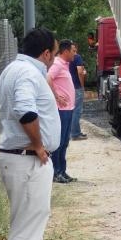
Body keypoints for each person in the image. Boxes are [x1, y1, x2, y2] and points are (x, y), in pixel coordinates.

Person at [0, 28, 62, 240]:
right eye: (54, 54)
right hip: (26, 158)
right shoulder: (26, 72)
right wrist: (37, 144)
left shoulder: (16, 68)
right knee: (25, 228)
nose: (54, 60)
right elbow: (25, 111)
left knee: (31, 224)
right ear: (46, 52)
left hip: (25, 158)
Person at [47, 39, 76, 183]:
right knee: (59, 142)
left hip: (68, 109)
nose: (75, 54)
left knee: (64, 141)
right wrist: (56, 96)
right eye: (73, 51)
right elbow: (48, 78)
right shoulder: (57, 64)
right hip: (61, 110)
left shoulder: (65, 65)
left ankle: (62, 171)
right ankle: (56, 172)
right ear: (65, 51)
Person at [69, 44, 87, 141]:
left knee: (72, 110)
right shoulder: (77, 57)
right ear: (75, 49)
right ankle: (75, 134)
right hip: (77, 86)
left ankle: (76, 132)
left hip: (69, 87)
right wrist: (82, 85)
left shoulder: (65, 60)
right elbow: (80, 72)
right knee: (77, 110)